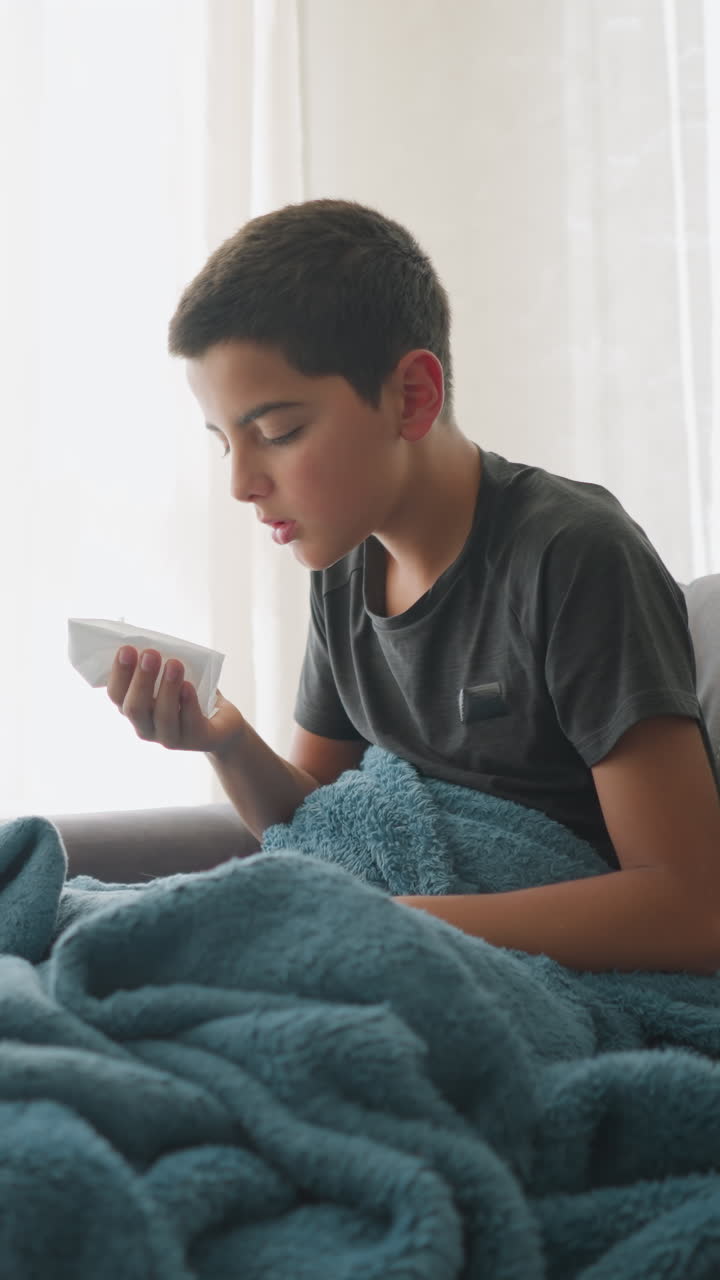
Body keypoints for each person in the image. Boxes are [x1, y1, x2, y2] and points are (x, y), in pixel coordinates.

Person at [108, 198, 720, 973]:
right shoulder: (342, 568)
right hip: (406, 941)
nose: (240, 483)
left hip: (536, 971)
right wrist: (223, 739)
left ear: (413, 397)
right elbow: (318, 826)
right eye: (224, 442)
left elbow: (693, 904)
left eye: (278, 433)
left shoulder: (571, 556)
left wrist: (388, 923)